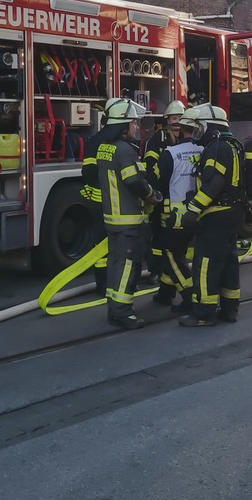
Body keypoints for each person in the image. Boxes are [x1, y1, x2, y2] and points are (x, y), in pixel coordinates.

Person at [95, 98, 161, 330]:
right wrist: (152, 193)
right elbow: (133, 180)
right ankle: (122, 312)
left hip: (112, 219)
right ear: (122, 125)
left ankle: (114, 308)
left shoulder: (105, 148)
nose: (136, 127)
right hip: (128, 219)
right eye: (133, 123)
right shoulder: (124, 151)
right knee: (127, 267)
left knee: (115, 264)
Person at [178, 104, 245, 327]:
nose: (197, 132)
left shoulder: (216, 148)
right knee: (228, 263)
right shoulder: (232, 146)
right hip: (232, 214)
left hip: (215, 216)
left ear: (211, 127)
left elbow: (215, 183)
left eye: (199, 127)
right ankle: (229, 309)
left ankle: (203, 313)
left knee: (206, 263)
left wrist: (194, 208)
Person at [151, 106, 204, 313]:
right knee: (177, 253)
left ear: (180, 129)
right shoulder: (203, 151)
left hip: (173, 217)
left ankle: (190, 296)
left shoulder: (169, 154)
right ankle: (165, 293)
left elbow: (158, 185)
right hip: (196, 214)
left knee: (171, 255)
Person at [80, 98, 123, 295]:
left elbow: (88, 173)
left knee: (100, 245)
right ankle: (121, 282)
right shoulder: (123, 143)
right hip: (121, 203)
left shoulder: (94, 141)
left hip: (98, 202)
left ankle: (102, 285)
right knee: (120, 244)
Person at [142, 100, 186, 289]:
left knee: (177, 241)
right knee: (158, 238)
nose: (177, 123)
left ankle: (170, 275)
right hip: (162, 199)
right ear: (168, 120)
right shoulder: (157, 140)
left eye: (180, 118)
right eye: (174, 118)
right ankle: (155, 272)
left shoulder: (187, 138)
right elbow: (150, 169)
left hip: (182, 200)